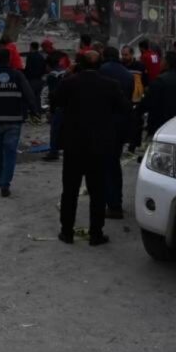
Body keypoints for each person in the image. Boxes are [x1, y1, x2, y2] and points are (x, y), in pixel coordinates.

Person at [53, 50, 131, 246]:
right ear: (100, 65)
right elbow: (125, 109)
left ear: (79, 64)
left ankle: (67, 232)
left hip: (74, 146)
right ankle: (96, 234)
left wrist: (68, 74)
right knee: (98, 191)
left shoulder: (69, 83)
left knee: (69, 191)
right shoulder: (110, 85)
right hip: (100, 146)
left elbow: (54, 102)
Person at [0, 48, 40, 197]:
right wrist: (34, 111)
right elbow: (29, 94)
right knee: (10, 152)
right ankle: (5, 183)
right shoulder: (18, 75)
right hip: (14, 120)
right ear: (9, 59)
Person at [99, 47, 136, 220]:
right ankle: (115, 203)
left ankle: (110, 204)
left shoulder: (101, 71)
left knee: (105, 165)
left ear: (105, 57)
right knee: (114, 163)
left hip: (104, 124)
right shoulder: (128, 75)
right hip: (121, 126)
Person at [138, 51, 176, 137]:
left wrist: (137, 112)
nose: (160, 63)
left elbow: (148, 102)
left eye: (162, 60)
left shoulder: (159, 81)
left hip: (158, 125)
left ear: (167, 63)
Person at [43, 51, 69, 161]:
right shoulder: (66, 73)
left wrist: (50, 109)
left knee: (55, 130)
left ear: (49, 65)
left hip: (58, 106)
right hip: (68, 105)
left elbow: (53, 94)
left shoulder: (52, 76)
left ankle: (54, 152)